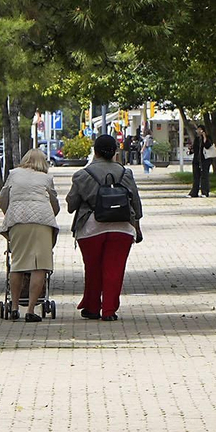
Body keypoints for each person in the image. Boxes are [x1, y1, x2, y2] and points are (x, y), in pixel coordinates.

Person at [66, 133, 142, 321]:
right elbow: (136, 203)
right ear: (115, 152)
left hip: (91, 227)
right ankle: (109, 310)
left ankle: (92, 307)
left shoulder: (82, 175)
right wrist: (137, 226)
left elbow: (71, 205)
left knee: (93, 269)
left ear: (95, 151)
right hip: (122, 226)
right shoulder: (126, 173)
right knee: (114, 269)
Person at [0, 148, 60, 322]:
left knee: (17, 263)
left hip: (18, 220)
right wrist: (50, 214)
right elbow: (54, 202)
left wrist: (9, 213)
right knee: (39, 266)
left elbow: (3, 198)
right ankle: (31, 310)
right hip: (42, 222)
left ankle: (15, 306)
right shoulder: (46, 178)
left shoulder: (14, 174)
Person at [189, 124, 210, 197]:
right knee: (196, 176)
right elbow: (195, 148)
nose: (198, 131)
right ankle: (194, 192)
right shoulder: (197, 139)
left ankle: (205, 192)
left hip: (204, 160)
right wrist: (191, 150)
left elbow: (207, 145)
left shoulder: (207, 138)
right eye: (197, 130)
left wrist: (204, 137)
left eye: (199, 130)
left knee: (204, 176)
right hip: (197, 160)